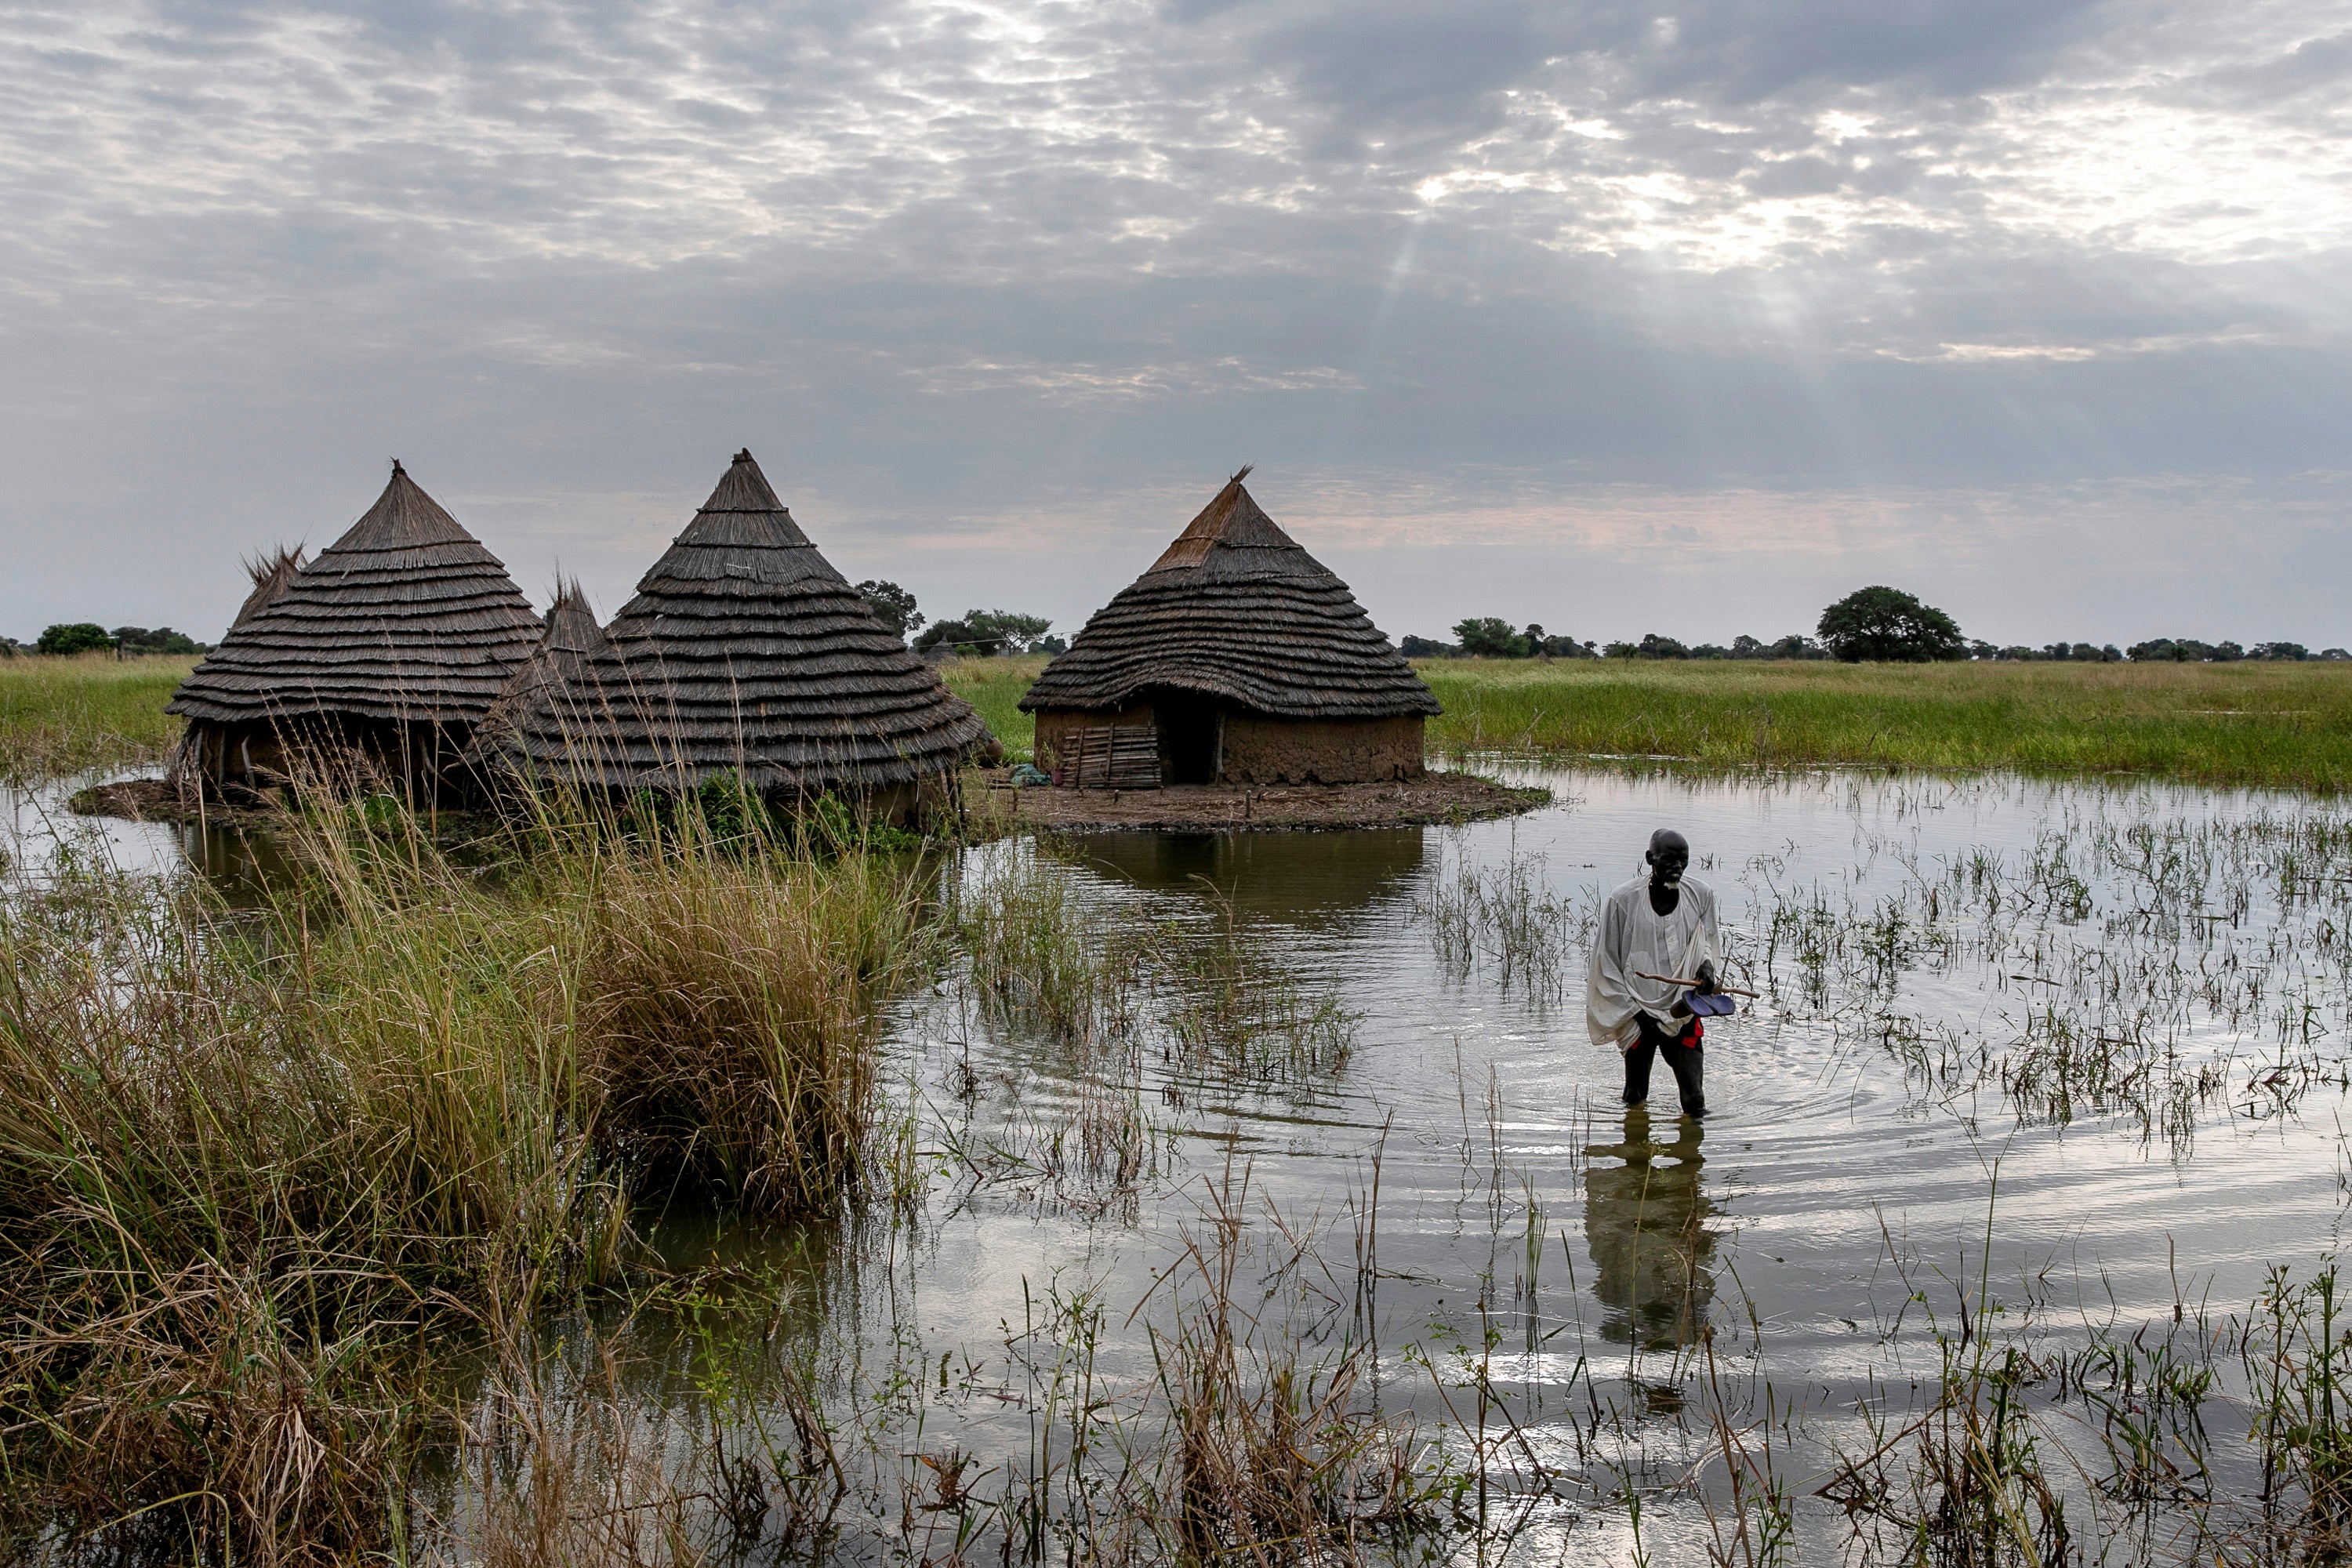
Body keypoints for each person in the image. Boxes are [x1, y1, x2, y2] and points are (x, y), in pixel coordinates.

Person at [1586, 828, 1719, 1116]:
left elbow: (1706, 941)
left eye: (1683, 860)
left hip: (1682, 1010)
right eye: (1668, 860)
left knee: (1695, 1101)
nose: (1677, 868)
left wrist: (1706, 967)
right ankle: (1636, 1154)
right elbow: (1606, 963)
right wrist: (1636, 1013)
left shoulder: (1701, 895)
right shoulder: (1622, 900)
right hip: (1637, 1011)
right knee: (1635, 1096)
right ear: (1650, 858)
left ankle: (1691, 1155)